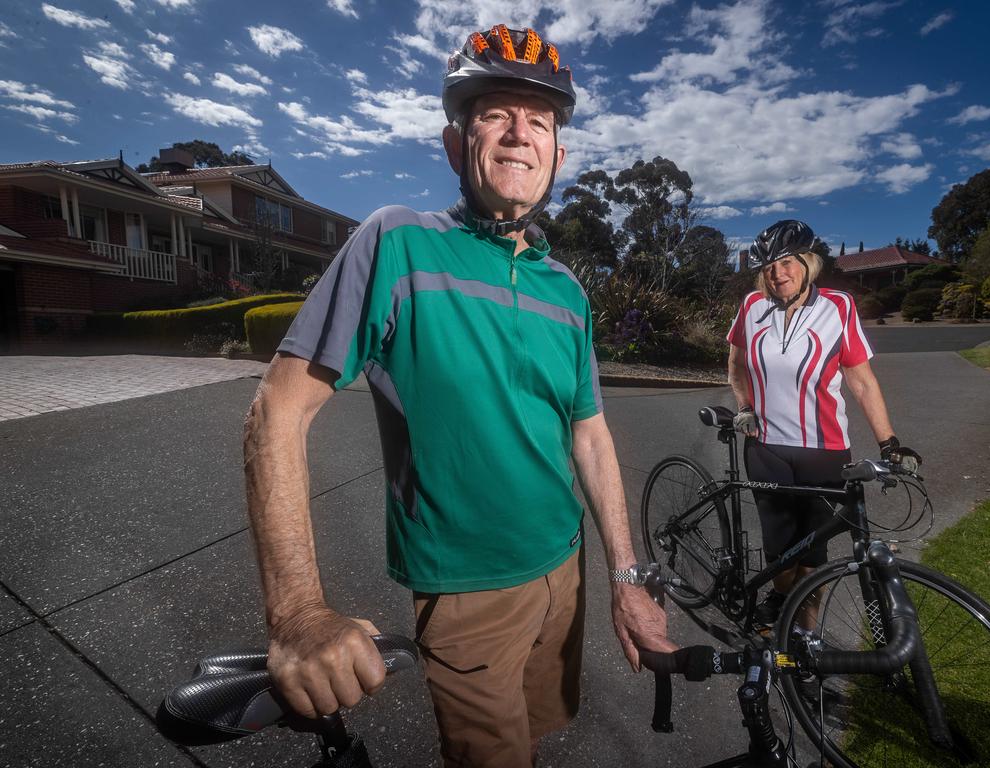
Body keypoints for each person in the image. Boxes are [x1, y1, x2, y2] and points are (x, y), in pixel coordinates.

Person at [243, 24, 671, 768]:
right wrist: (298, 614)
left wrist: (626, 579)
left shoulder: (567, 290)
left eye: (538, 121)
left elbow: (591, 436)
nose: (518, 134)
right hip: (468, 593)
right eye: (495, 114)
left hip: (563, 570)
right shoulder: (397, 244)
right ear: (454, 143)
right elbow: (276, 412)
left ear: (557, 157)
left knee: (534, 738)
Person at [727, 219, 921, 629]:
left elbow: (861, 381)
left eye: (785, 263)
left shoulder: (838, 306)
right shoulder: (752, 306)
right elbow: (736, 362)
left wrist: (889, 443)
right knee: (780, 546)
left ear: (808, 262)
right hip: (766, 448)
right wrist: (743, 404)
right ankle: (780, 600)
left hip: (826, 451)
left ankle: (806, 633)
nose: (776, 274)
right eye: (767, 267)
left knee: (815, 553)